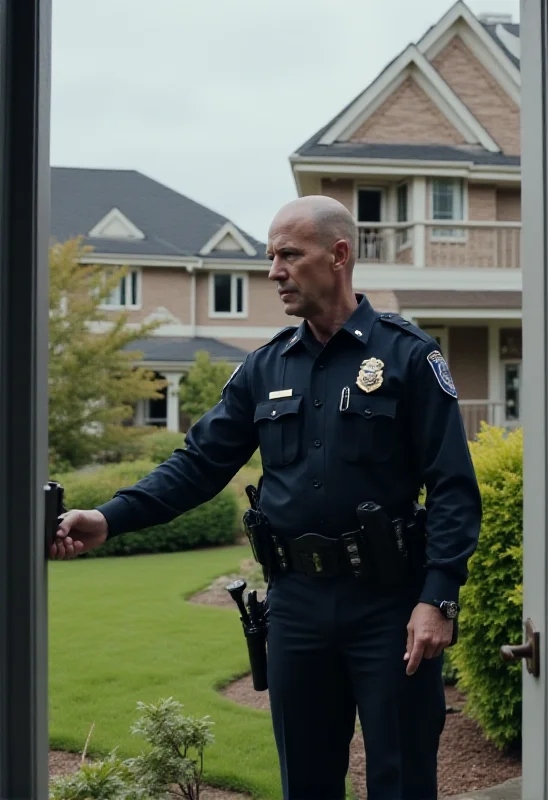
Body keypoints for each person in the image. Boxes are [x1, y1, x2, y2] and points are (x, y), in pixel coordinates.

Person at [51, 195, 481, 800]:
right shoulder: (265, 367)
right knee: (305, 782)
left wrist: (438, 597)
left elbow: (454, 488)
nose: (273, 271)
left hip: (389, 605)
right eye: (269, 256)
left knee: (403, 779)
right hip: (297, 608)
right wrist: (107, 518)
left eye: (288, 254)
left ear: (337, 256)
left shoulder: (408, 356)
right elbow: (198, 464)